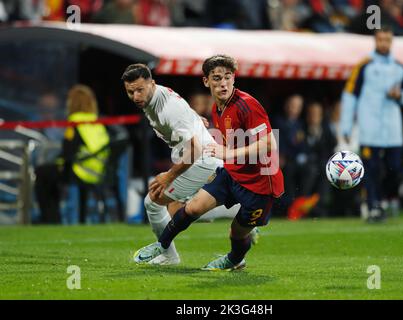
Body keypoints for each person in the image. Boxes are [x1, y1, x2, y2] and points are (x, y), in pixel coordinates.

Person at [137, 54, 284, 271]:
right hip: (233, 173)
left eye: (227, 77)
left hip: (260, 184)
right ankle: (162, 245)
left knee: (236, 233)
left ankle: (235, 260)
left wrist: (228, 154)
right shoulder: (217, 108)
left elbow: (269, 145)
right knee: (193, 207)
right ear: (206, 81)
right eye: (216, 78)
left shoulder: (248, 105)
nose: (222, 83)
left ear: (234, 78)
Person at [122, 64, 256, 266]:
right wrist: (194, 118)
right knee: (181, 210)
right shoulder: (159, 94)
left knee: (153, 201)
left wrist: (169, 176)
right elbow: (182, 109)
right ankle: (244, 213)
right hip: (205, 152)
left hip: (199, 158)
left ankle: (168, 256)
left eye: (140, 89)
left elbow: (194, 150)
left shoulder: (167, 109)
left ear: (152, 84)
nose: (135, 96)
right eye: (130, 91)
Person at [339, 26, 403, 222]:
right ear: (375, 40)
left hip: (392, 130)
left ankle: (384, 200)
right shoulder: (364, 66)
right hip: (370, 128)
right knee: (371, 169)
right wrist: (346, 125)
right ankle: (372, 205)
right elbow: (349, 95)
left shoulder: (400, 68)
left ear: (391, 42)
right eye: (380, 40)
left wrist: (400, 96)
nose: (383, 44)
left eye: (387, 40)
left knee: (394, 169)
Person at [34, 84, 110, 224]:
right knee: (50, 174)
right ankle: (53, 218)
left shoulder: (75, 120)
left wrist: (59, 162)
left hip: (80, 171)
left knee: (42, 172)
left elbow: (68, 151)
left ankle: (50, 219)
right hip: (98, 171)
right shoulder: (95, 121)